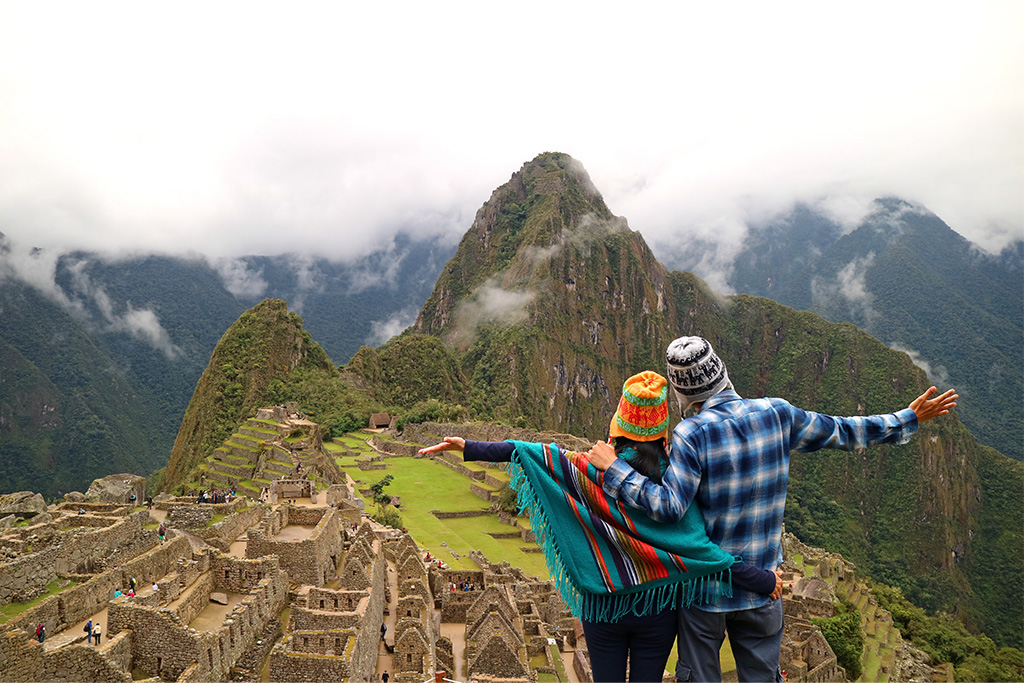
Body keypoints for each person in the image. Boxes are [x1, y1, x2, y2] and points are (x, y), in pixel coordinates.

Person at [589, 336, 958, 683]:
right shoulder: (777, 414)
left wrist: (615, 469)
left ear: (682, 395)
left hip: (705, 595)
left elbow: (668, 507)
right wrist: (906, 418)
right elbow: (843, 431)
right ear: (723, 374)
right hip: (763, 589)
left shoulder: (692, 434)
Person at [419, 371, 780, 683]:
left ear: (618, 427)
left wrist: (470, 446)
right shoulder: (674, 482)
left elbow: (534, 453)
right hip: (656, 609)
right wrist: (763, 580)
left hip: (601, 606)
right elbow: (701, 552)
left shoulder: (586, 471)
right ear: (662, 434)